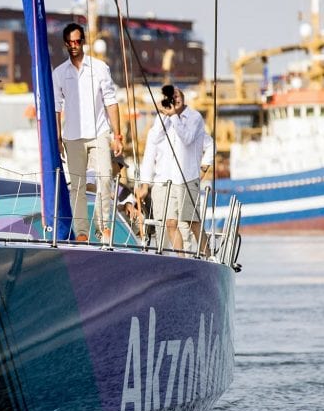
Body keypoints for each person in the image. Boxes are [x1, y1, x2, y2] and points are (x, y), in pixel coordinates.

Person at [52, 23, 123, 243]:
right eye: (70, 42)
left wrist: (117, 135)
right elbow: (56, 107)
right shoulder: (59, 73)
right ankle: (82, 232)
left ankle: (103, 229)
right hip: (72, 136)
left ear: (84, 41)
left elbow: (111, 101)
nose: (74, 46)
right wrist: (57, 139)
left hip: (100, 131)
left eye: (78, 41)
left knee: (104, 179)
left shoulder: (100, 67)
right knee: (78, 187)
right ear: (65, 43)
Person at [136, 85, 213, 253]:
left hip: (186, 179)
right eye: (171, 97)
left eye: (177, 96)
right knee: (170, 222)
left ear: (183, 98)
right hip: (164, 181)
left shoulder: (194, 118)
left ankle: (208, 256)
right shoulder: (161, 119)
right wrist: (145, 184)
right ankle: (181, 258)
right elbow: (153, 142)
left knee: (193, 222)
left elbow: (188, 138)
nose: (174, 100)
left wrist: (205, 165)